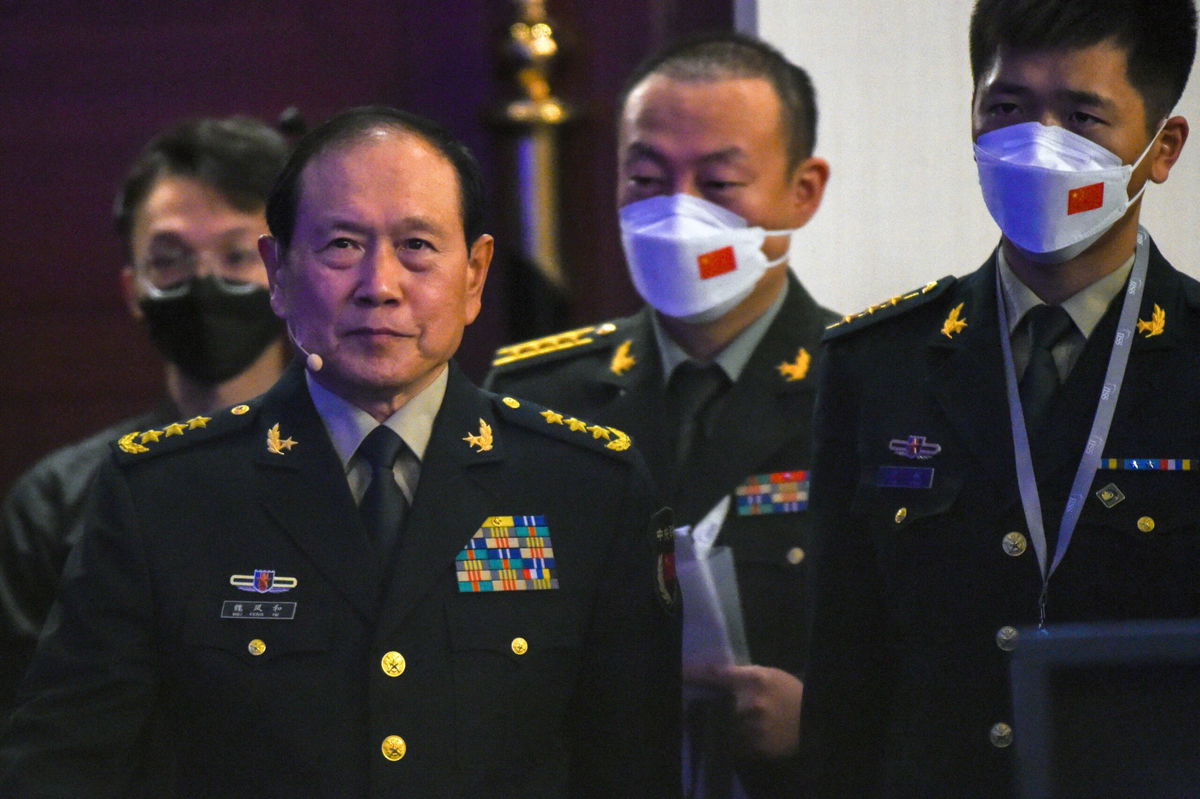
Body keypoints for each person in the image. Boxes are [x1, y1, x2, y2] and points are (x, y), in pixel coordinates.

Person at [0, 106, 681, 797]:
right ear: (279, 270)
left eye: (417, 245)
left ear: (474, 275)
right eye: (342, 246)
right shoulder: (162, 494)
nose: (379, 284)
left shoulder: (584, 485)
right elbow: (63, 763)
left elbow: (630, 764)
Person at [802, 1, 1198, 795]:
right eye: (1007, 109)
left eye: (1083, 117)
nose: (1036, 147)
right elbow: (846, 674)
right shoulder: (877, 364)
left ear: (1162, 149)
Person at [486, 32, 834, 798]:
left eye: (718, 182)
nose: (678, 213)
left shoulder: (874, 389)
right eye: (646, 178)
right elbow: (484, 624)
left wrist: (829, 718)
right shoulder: (534, 396)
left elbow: (955, 652)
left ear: (802, 190)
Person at [0, 116, 290, 713]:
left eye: (238, 256)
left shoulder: (366, 467)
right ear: (133, 290)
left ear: (287, 274)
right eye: (170, 260)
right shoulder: (57, 503)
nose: (204, 284)